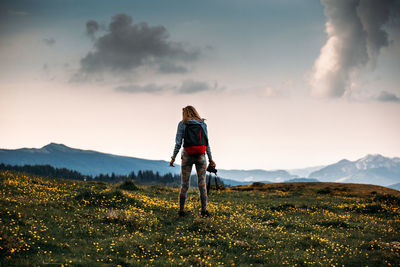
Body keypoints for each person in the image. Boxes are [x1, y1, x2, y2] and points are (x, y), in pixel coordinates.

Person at [170, 106, 216, 217]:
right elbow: (207, 143)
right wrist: (210, 159)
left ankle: (181, 211)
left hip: (187, 156)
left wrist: (173, 157)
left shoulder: (182, 124)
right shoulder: (202, 124)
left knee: (184, 185)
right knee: (202, 184)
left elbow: (178, 143)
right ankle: (204, 211)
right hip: (201, 156)